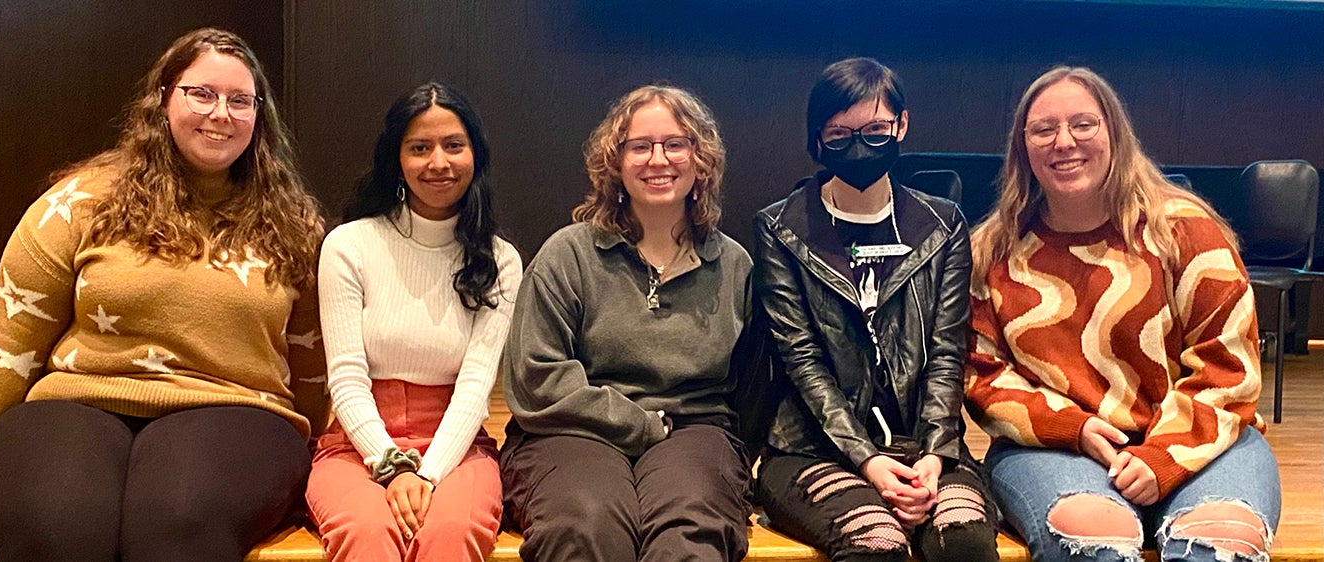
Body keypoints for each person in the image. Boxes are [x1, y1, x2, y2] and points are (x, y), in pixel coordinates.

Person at [0, 28, 328, 561]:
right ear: (163, 100)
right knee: (55, 526)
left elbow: (314, 363)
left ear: (259, 115)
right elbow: (9, 344)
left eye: (240, 100)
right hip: (74, 401)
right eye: (202, 94)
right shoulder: (79, 203)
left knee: (175, 525)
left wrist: (327, 463)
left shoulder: (293, 224)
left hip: (238, 412)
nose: (221, 114)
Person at [965, 66, 1280, 562]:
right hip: (1056, 445)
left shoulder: (1184, 231)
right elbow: (982, 374)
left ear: (1115, 132)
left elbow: (1228, 365)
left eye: (1083, 124)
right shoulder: (991, 251)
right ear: (1022, 147)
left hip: (1204, 440)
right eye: (1043, 130)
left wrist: (1162, 456)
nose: (1063, 142)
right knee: (1092, 538)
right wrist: (1071, 427)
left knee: (1222, 541)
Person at [750, 57, 999, 562]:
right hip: (813, 446)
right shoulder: (780, 227)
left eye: (876, 130)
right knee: (876, 543)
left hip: (926, 445)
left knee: (963, 540)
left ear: (901, 125)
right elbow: (801, 361)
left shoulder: (943, 224)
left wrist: (934, 454)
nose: (860, 146)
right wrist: (867, 460)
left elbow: (947, 352)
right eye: (840, 135)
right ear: (818, 139)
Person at [498, 84, 752, 562]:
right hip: (571, 432)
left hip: (691, 431)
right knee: (586, 522)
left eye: (675, 144)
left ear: (701, 159)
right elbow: (536, 379)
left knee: (689, 529)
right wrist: (640, 425)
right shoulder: (568, 255)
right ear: (614, 163)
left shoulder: (734, 265)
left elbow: (752, 388)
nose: (658, 159)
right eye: (640, 146)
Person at [303, 82, 521, 562]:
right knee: (366, 531)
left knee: (451, 531)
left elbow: (476, 386)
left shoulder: (500, 259)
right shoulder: (349, 245)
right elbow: (346, 376)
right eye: (420, 148)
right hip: (357, 441)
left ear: (476, 155)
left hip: (456, 445)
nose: (438, 162)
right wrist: (392, 465)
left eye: (454, 146)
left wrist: (426, 473)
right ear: (397, 160)